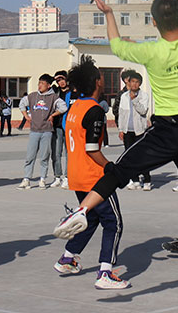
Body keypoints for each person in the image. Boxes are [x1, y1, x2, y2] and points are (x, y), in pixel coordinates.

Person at [54, 0, 178, 297]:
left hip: (166, 131)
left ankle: (82, 210)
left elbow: (117, 45)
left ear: (154, 22)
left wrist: (108, 13)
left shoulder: (151, 52)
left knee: (120, 171)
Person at [53, 56, 129, 289]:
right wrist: (110, 168)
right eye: (102, 77)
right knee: (114, 222)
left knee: (92, 218)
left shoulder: (74, 107)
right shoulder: (95, 110)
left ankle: (68, 257)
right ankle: (105, 272)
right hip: (94, 177)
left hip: (76, 174)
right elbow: (92, 148)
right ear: (97, 82)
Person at [18, 74, 67, 189]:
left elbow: (63, 107)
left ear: (48, 85)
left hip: (47, 131)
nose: (40, 85)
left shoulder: (53, 97)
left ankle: (42, 179)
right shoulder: (32, 96)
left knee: (44, 156)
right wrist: (26, 116)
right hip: (34, 130)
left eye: (42, 83)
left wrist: (53, 115)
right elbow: (22, 104)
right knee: (30, 156)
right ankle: (26, 179)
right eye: (39, 83)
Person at [116, 70, 153, 191]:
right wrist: (121, 129)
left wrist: (135, 100)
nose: (134, 84)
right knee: (129, 156)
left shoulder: (144, 96)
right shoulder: (124, 96)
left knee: (142, 155)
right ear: (129, 83)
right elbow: (122, 113)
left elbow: (143, 111)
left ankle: (147, 180)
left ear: (140, 83)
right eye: (132, 81)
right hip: (128, 130)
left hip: (140, 130)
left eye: (137, 82)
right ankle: (135, 180)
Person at [51, 71, 73, 188]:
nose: (61, 82)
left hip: (69, 125)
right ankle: (57, 176)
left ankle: (67, 177)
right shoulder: (55, 92)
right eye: (58, 81)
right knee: (56, 152)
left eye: (62, 79)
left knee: (69, 152)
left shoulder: (73, 92)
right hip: (57, 125)